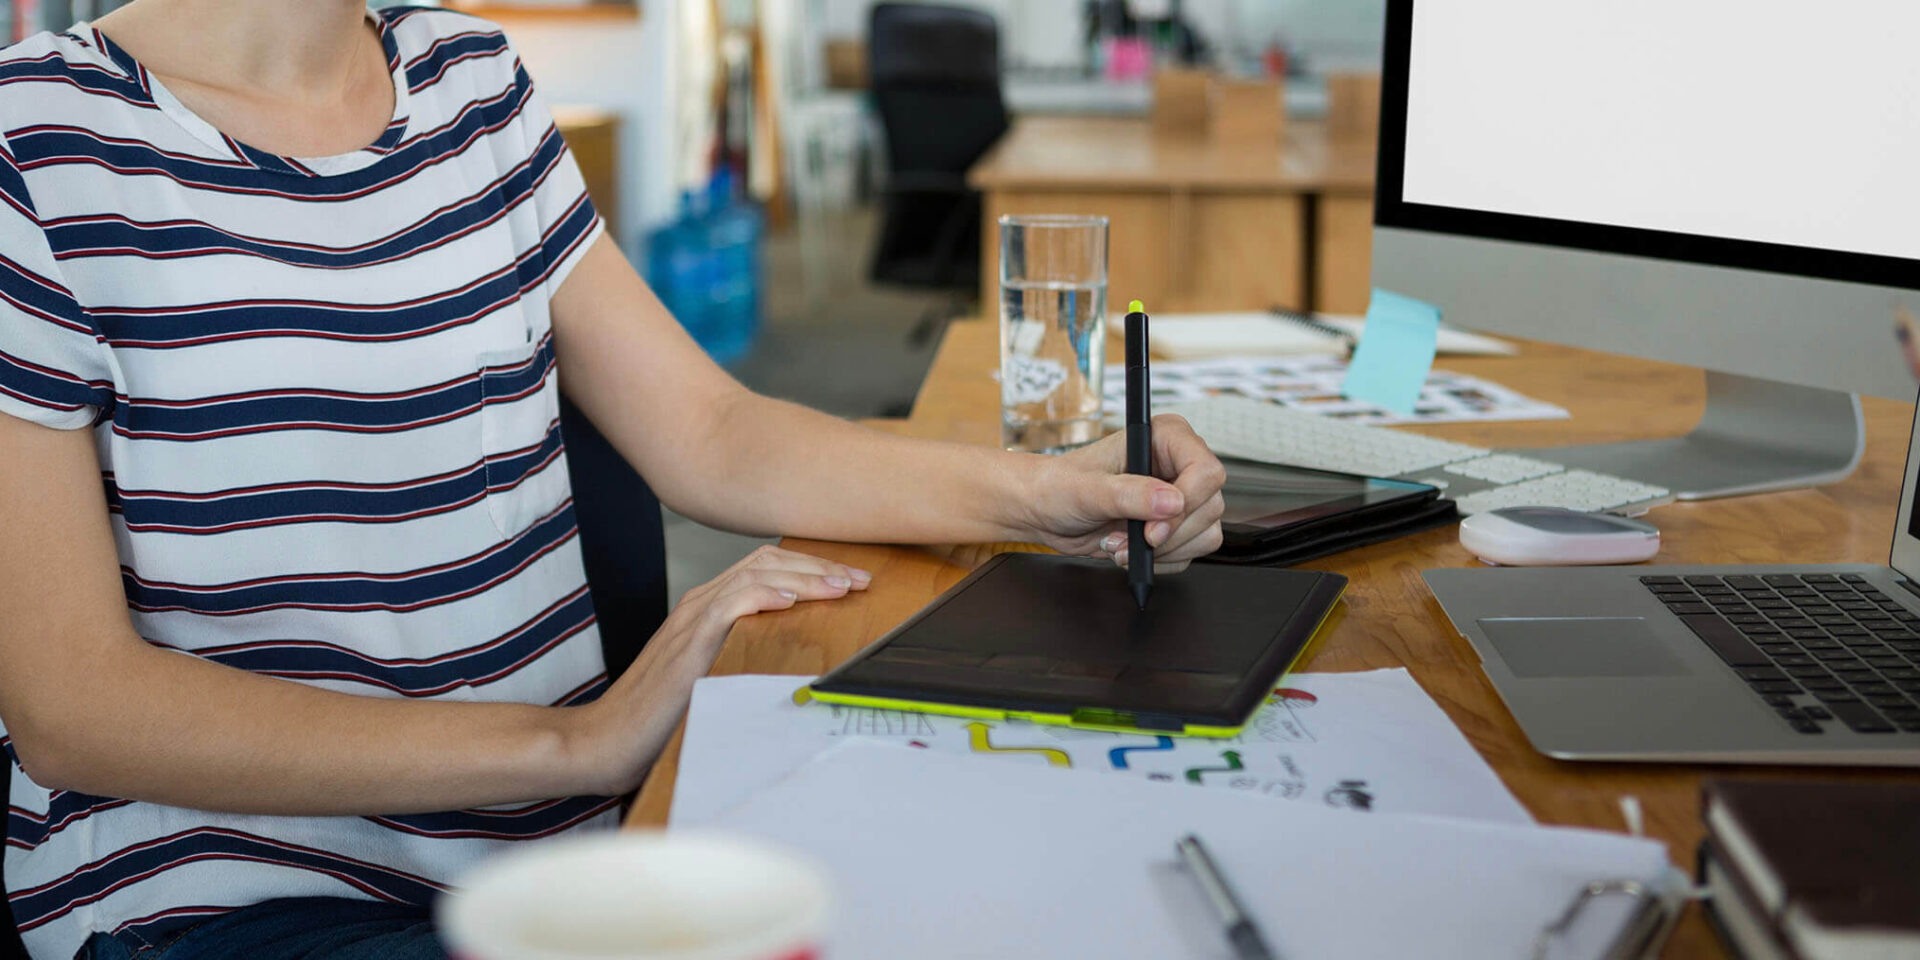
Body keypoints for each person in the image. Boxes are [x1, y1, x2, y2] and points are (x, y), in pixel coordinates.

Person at [0, 1, 1227, 957]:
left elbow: (715, 431)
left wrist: (1043, 492)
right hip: (239, 905)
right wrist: (574, 743)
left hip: (574, 858)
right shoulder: (38, 148)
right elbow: (75, 706)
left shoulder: (470, 83)